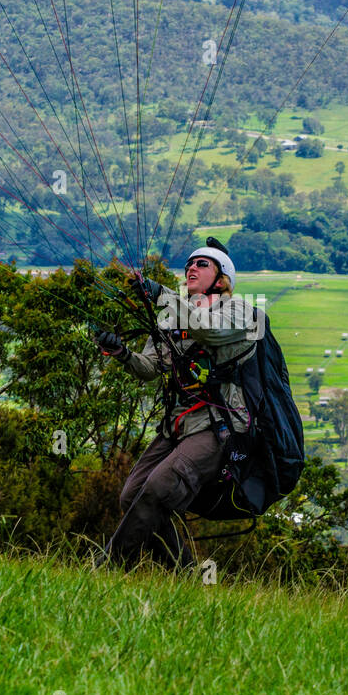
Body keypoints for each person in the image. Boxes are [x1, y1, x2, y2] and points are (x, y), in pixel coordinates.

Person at [93, 241, 260, 569]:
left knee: (158, 488)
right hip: (178, 424)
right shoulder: (172, 317)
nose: (191, 268)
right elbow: (150, 368)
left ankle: (107, 569)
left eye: (202, 263)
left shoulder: (241, 311)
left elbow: (208, 329)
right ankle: (185, 575)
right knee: (132, 496)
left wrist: (161, 294)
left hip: (219, 426)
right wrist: (122, 354)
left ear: (222, 279)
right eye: (188, 264)